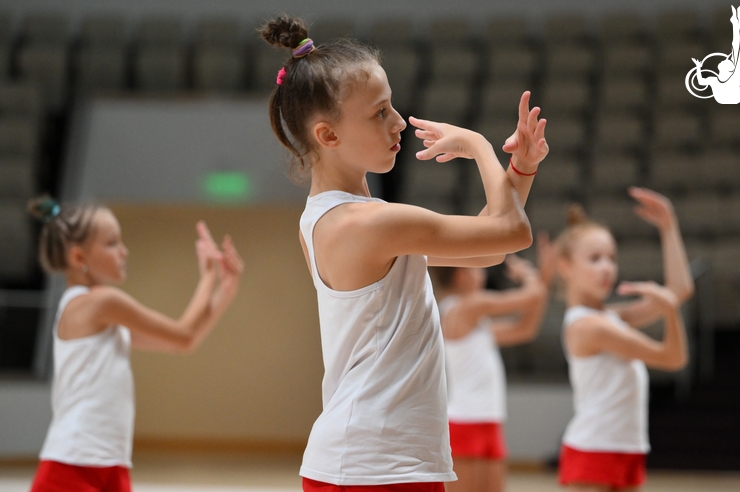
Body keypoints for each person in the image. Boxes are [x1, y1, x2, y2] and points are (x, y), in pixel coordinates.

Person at [259, 15, 548, 492]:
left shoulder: (340, 219)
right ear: (328, 136)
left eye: (392, 106)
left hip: (375, 462)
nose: (398, 122)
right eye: (379, 113)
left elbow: (486, 250)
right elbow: (511, 232)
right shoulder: (370, 224)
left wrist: (520, 168)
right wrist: (478, 144)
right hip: (373, 465)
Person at [27, 196, 243, 492]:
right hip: (72, 467)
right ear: (79, 258)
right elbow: (182, 333)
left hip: (110, 464)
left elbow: (184, 343)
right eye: (112, 243)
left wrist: (225, 290)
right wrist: (208, 278)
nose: (124, 251)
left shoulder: (99, 314)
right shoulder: (101, 303)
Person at [554, 188, 693, 491]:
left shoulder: (610, 317)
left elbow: (679, 290)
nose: (607, 267)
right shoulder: (590, 327)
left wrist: (668, 226)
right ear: (565, 267)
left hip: (626, 447)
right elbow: (673, 358)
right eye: (594, 259)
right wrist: (669, 312)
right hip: (595, 450)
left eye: (611, 258)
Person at [432, 240, 554, 492]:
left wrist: (546, 277)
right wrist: (532, 274)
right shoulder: (465, 308)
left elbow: (525, 329)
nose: (483, 273)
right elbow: (531, 296)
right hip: (466, 422)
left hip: (488, 420)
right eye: (477, 267)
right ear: (461, 274)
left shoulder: (476, 322)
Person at [692, 5, 740, 104]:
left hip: (733, 97)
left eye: (727, 61)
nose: (725, 59)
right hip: (728, 99)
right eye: (728, 60)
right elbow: (701, 82)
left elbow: (737, 49)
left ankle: (736, 24)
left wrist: (736, 26)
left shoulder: (734, 78)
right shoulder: (714, 80)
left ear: (729, 69)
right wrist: (698, 67)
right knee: (736, 51)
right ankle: (736, 24)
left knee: (737, 50)